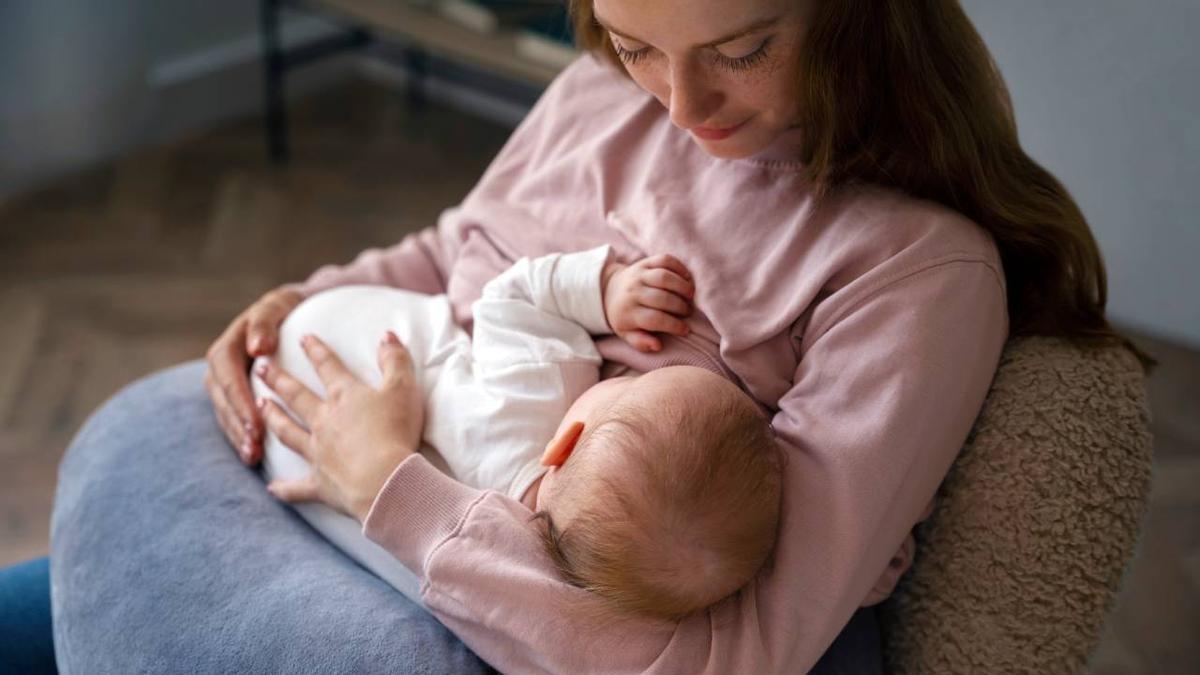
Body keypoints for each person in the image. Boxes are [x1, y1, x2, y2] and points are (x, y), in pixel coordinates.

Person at [1, 0, 1150, 672]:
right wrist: (302, 305)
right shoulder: (601, 99)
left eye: (741, 48)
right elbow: (455, 254)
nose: (682, 110)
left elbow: (740, 652)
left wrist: (387, 484)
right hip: (336, 500)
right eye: (634, 39)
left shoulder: (914, 273)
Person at [256, 245, 782, 619]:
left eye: (631, 386)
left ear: (565, 440)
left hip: (327, 339)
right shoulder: (504, 549)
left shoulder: (541, 390)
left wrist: (604, 291)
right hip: (304, 457)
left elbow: (510, 297)